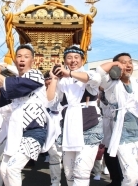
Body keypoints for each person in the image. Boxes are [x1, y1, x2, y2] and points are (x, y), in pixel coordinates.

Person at [0, 44, 55, 186]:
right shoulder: (12, 83)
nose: (22, 59)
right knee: (3, 169)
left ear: (33, 60)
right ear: (14, 60)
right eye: (19, 56)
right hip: (15, 132)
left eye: (26, 57)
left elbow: (17, 84)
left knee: (12, 168)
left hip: (33, 131)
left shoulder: (35, 75)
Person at [96, 52, 138, 186]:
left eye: (130, 62)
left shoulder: (137, 83)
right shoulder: (110, 84)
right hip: (124, 138)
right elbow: (99, 71)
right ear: (117, 66)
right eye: (123, 62)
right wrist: (114, 65)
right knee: (131, 177)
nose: (128, 65)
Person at [47, 45, 103, 186]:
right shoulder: (62, 81)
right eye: (69, 58)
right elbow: (49, 101)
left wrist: (69, 74)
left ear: (83, 60)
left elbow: (94, 79)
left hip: (89, 128)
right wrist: (54, 79)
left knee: (82, 172)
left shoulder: (90, 74)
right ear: (65, 61)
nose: (73, 61)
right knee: (69, 173)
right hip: (68, 129)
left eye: (76, 57)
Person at [44, 71, 63, 186]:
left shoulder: (64, 89)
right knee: (54, 154)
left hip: (65, 122)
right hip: (50, 123)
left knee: (67, 156)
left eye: (52, 78)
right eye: (47, 78)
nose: (49, 80)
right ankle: (55, 181)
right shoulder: (41, 92)